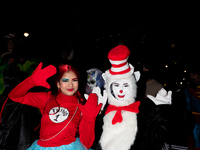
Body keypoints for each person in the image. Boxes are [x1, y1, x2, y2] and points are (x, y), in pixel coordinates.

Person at [8, 62, 102, 150]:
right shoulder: (47, 99)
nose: (70, 85)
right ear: (58, 84)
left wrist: (90, 119)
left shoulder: (82, 106)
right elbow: (14, 96)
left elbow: (87, 144)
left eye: (74, 80)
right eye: (65, 80)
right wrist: (31, 81)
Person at [185, 66, 200, 150]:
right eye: (190, 75)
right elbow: (187, 103)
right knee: (193, 140)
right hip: (193, 117)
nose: (192, 77)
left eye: (194, 75)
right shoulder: (189, 87)